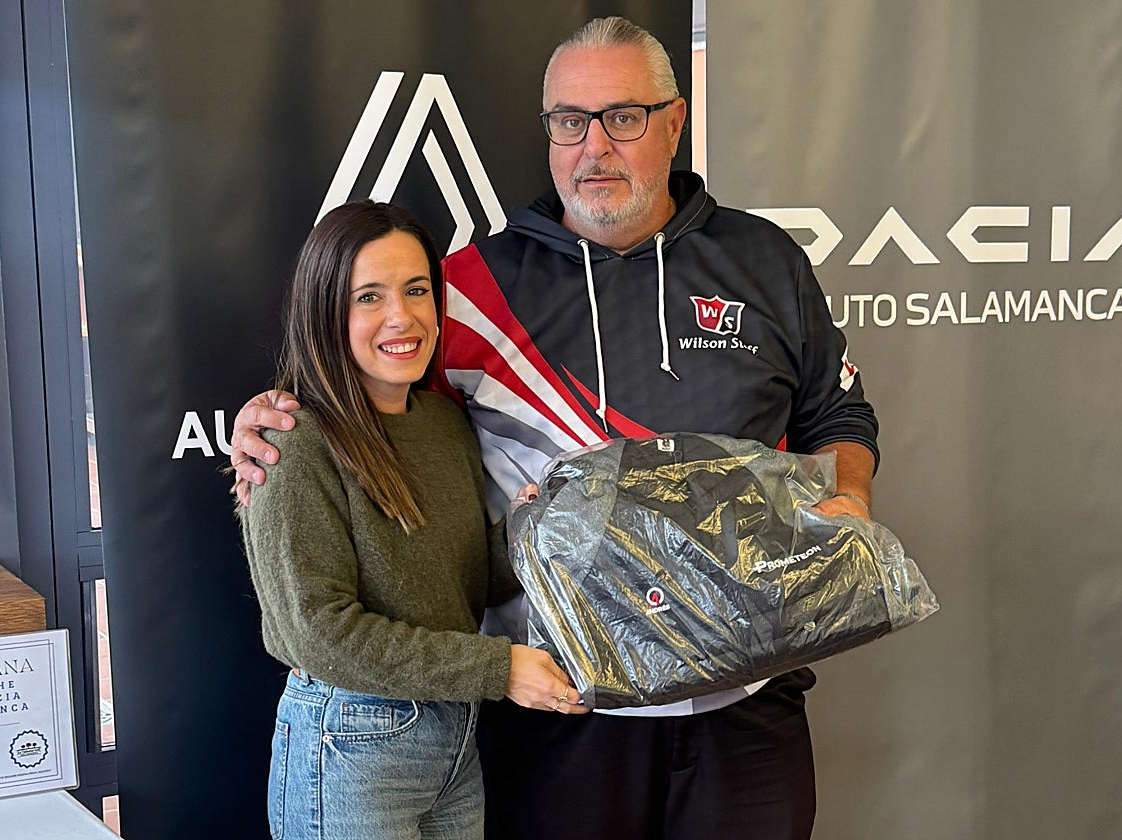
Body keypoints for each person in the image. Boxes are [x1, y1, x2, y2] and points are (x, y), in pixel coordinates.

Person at [233, 17, 878, 840]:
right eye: (570, 122)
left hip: (746, 694)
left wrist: (849, 494)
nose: (594, 147)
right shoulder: (467, 287)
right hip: (563, 701)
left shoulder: (766, 261)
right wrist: (272, 419)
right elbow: (367, 394)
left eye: (623, 118)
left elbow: (839, 412)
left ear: (674, 122)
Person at [239, 200, 586, 840]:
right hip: (351, 744)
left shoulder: (444, 424)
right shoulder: (294, 441)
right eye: (368, 296)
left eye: (417, 289)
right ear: (326, 311)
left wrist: (537, 532)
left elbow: (471, 584)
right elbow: (319, 634)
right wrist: (499, 668)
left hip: (452, 737)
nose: (402, 317)